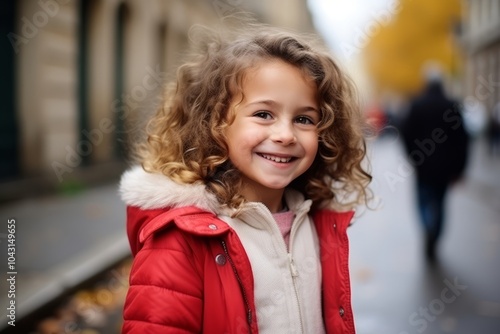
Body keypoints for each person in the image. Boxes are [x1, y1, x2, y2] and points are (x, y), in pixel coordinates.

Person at [119, 22, 372, 333]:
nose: (285, 135)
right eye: (264, 114)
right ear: (215, 123)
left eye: (304, 119)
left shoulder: (315, 222)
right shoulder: (180, 241)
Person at [400, 65, 469, 262]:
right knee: (440, 203)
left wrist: (413, 156)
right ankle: (434, 233)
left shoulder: (417, 105)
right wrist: (460, 168)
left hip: (423, 166)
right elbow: (462, 140)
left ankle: (427, 227)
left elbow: (406, 133)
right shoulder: (452, 106)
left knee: (422, 202)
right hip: (445, 169)